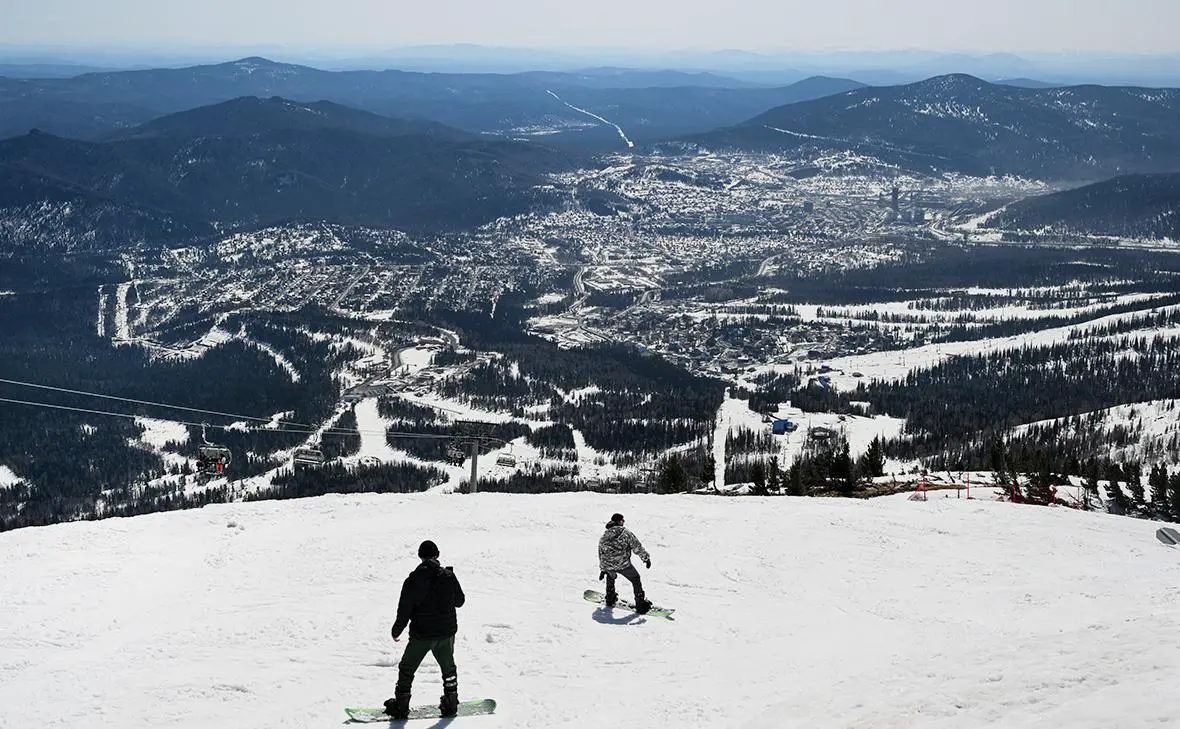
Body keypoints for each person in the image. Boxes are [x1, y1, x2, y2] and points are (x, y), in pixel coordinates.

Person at [385, 540, 466, 719]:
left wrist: (397, 630)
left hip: (422, 635)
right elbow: (460, 601)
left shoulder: (412, 580)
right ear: (437, 555)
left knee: (407, 668)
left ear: (420, 556)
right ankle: (451, 703)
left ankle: (401, 706)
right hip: (446, 633)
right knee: (448, 668)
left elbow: (404, 609)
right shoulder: (448, 577)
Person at [597, 513, 652, 614]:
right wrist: (646, 558)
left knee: (610, 575)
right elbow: (636, 546)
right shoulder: (625, 532)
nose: (623, 522)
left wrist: (603, 569)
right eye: (622, 520)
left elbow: (601, 552)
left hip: (608, 565)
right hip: (623, 565)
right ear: (618, 521)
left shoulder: (605, 535)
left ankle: (610, 598)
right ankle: (640, 604)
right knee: (635, 579)